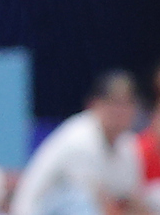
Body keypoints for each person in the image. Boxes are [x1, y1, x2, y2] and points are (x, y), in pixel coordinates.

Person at [11, 72, 141, 215]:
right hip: (37, 210)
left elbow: (133, 200)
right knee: (80, 202)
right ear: (95, 104)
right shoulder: (81, 138)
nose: (120, 111)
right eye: (113, 103)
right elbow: (101, 205)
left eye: (126, 104)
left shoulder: (128, 144)